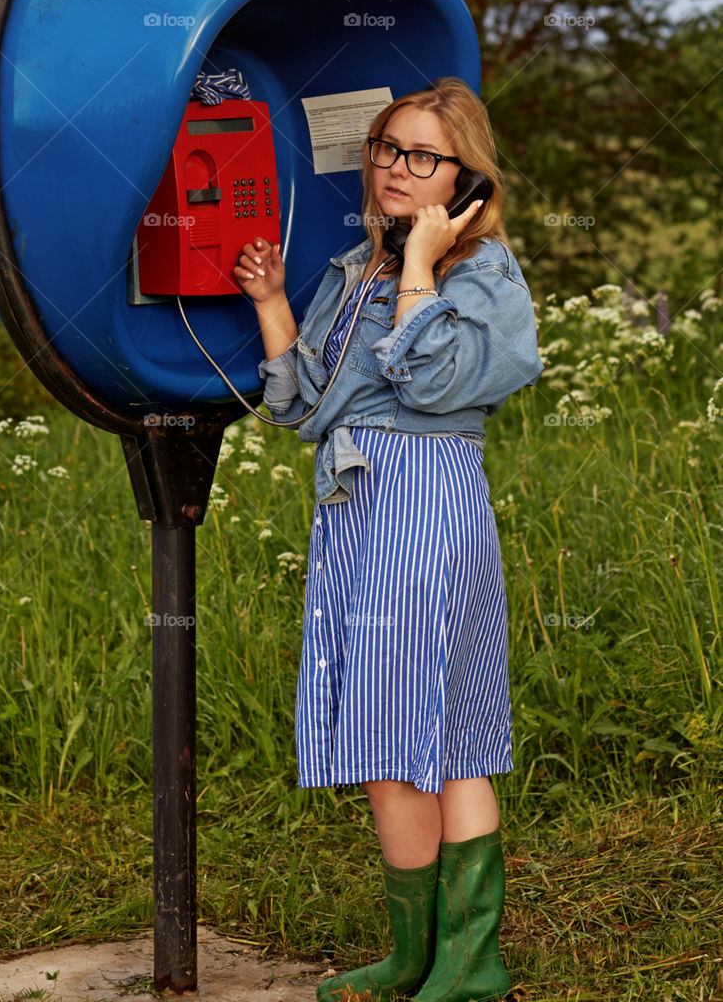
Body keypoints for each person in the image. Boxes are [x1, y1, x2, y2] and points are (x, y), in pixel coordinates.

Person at [233, 76, 544, 1002]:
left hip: (424, 504)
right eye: (385, 147)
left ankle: (471, 960)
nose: (396, 168)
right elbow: (299, 407)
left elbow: (432, 384)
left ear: (465, 177)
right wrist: (272, 299)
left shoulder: (483, 274)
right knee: (396, 733)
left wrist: (422, 261)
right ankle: (416, 955)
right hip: (356, 507)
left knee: (439, 735)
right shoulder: (350, 268)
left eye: (422, 156)